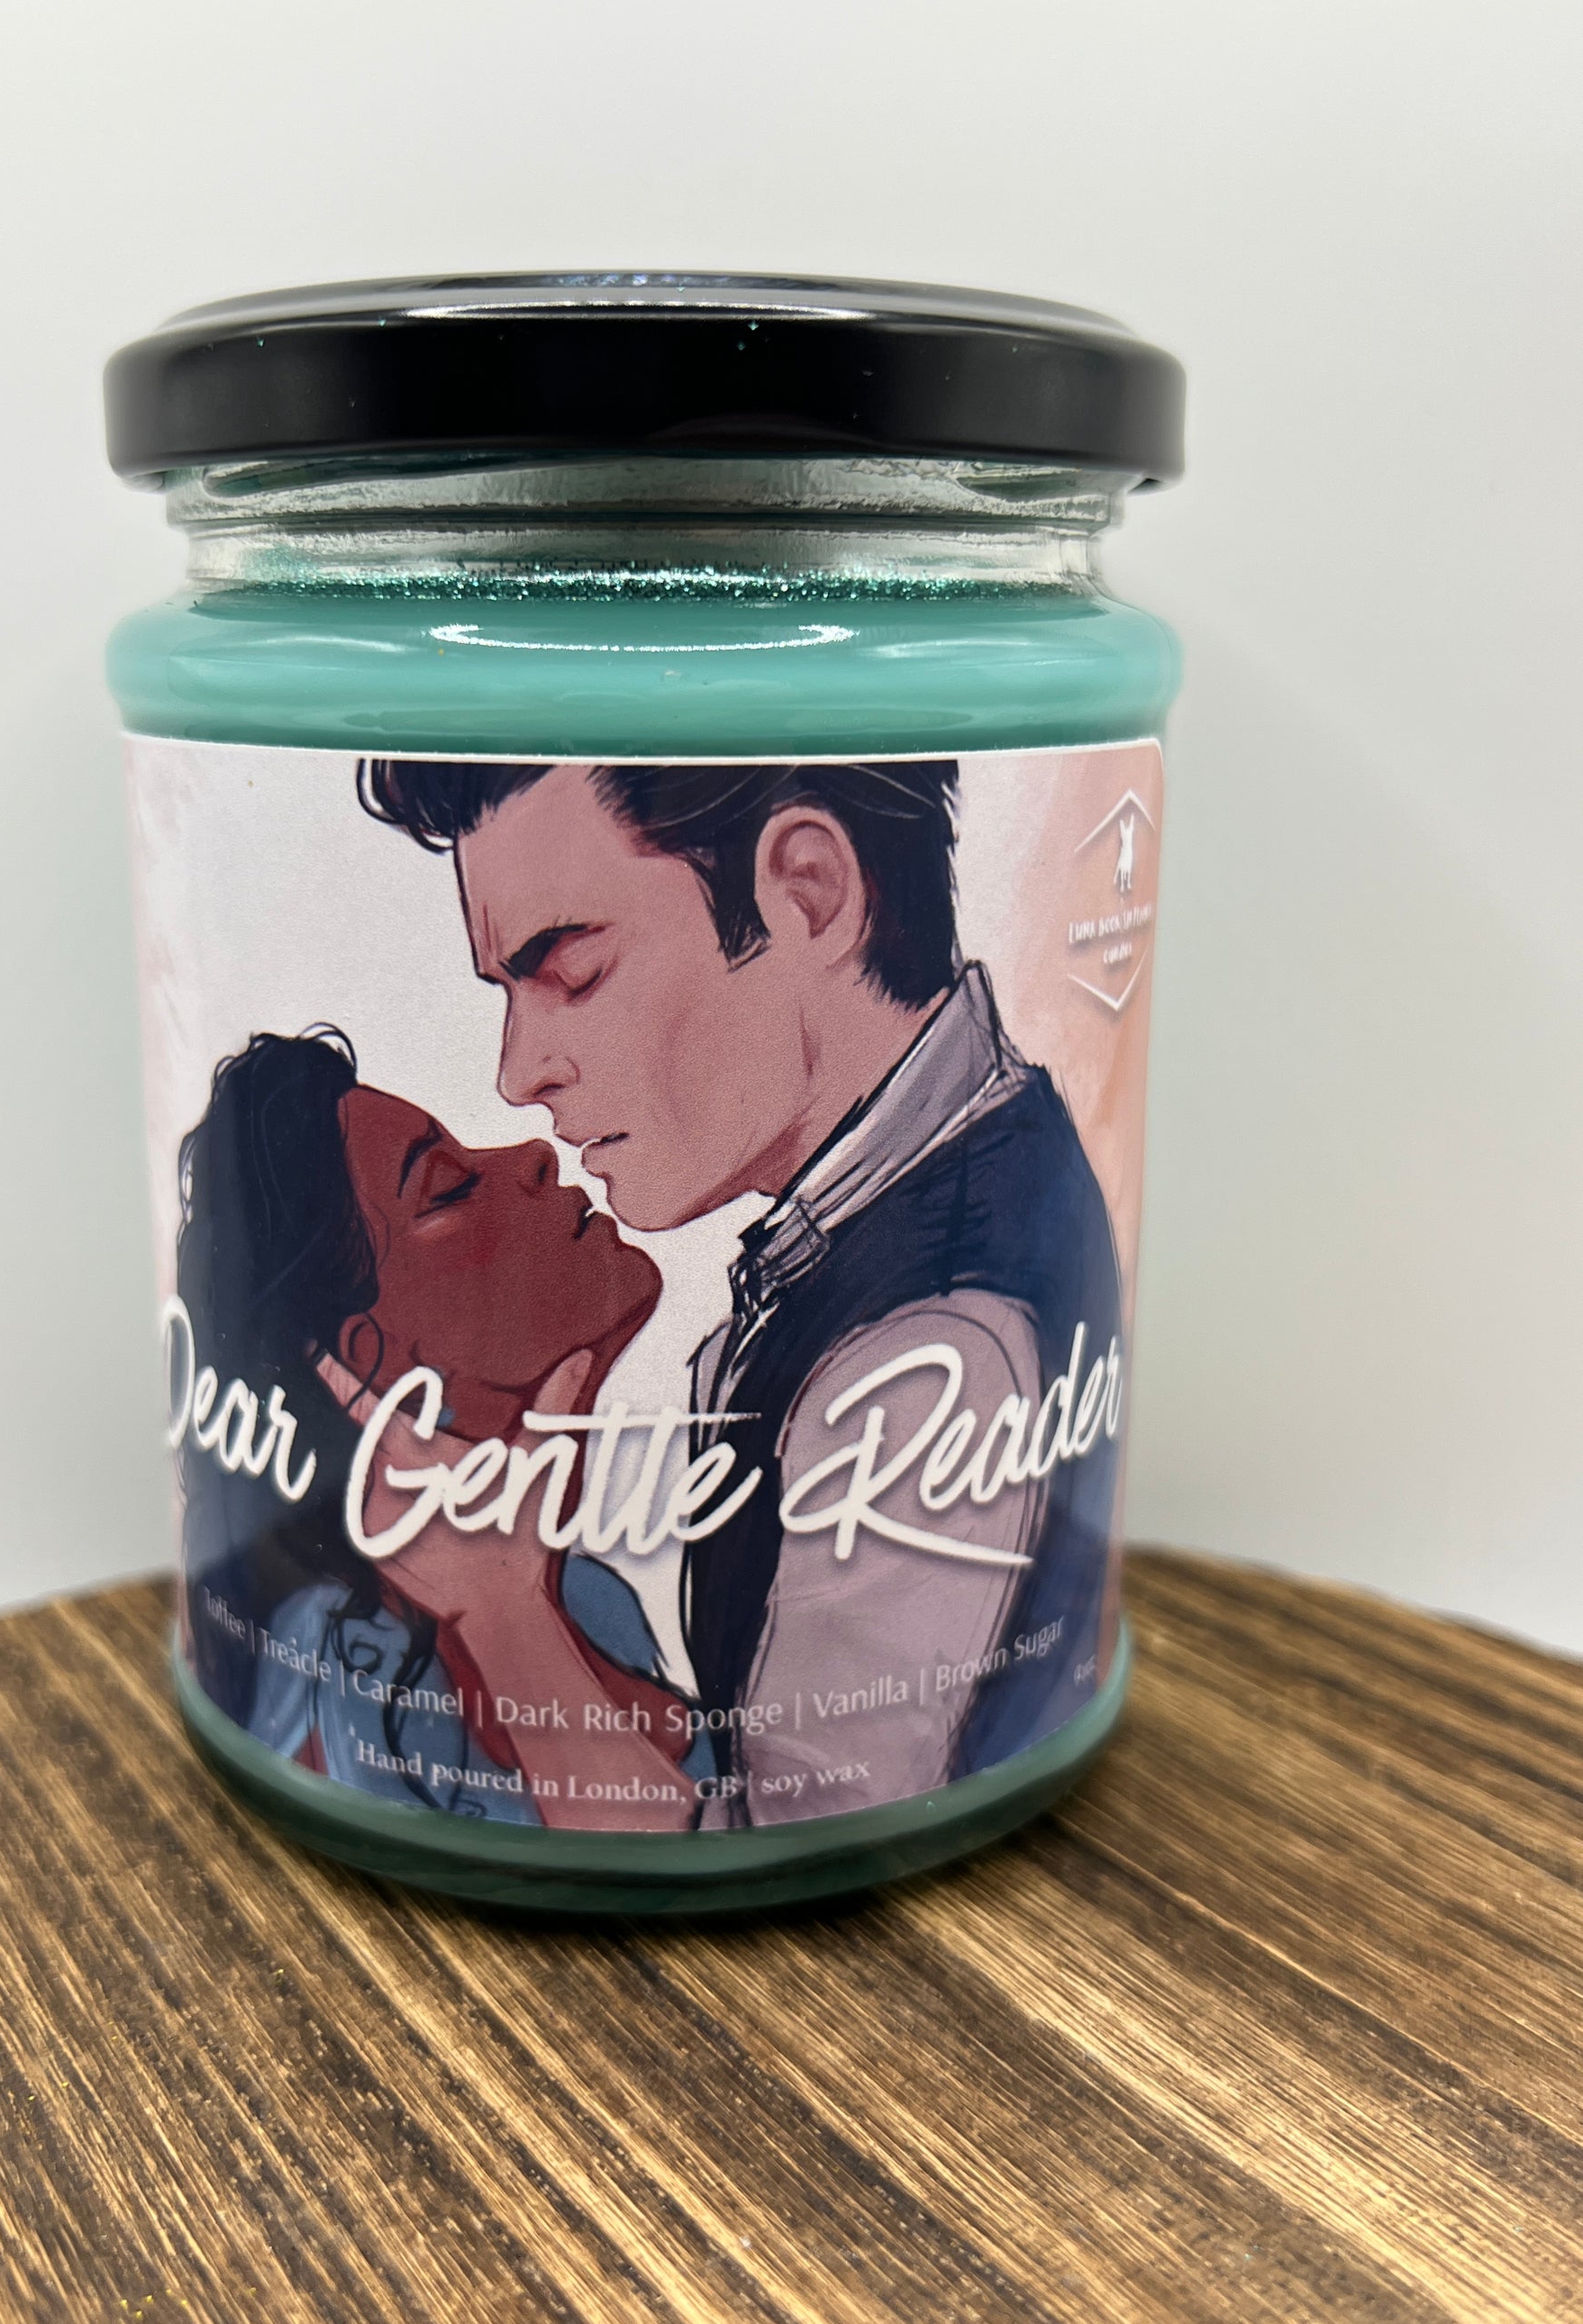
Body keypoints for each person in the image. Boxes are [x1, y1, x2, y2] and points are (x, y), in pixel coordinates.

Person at [362, 758, 1124, 1825]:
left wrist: (500, 1614)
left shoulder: (928, 1349)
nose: (518, 1071)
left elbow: (782, 1838)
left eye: (573, 971)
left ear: (806, 893)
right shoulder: (938, 1199)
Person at [173, 1026, 707, 1830]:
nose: (533, 1155)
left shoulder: (595, 1603)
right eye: (449, 1188)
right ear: (370, 1355)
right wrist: (504, 1615)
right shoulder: (331, 1673)